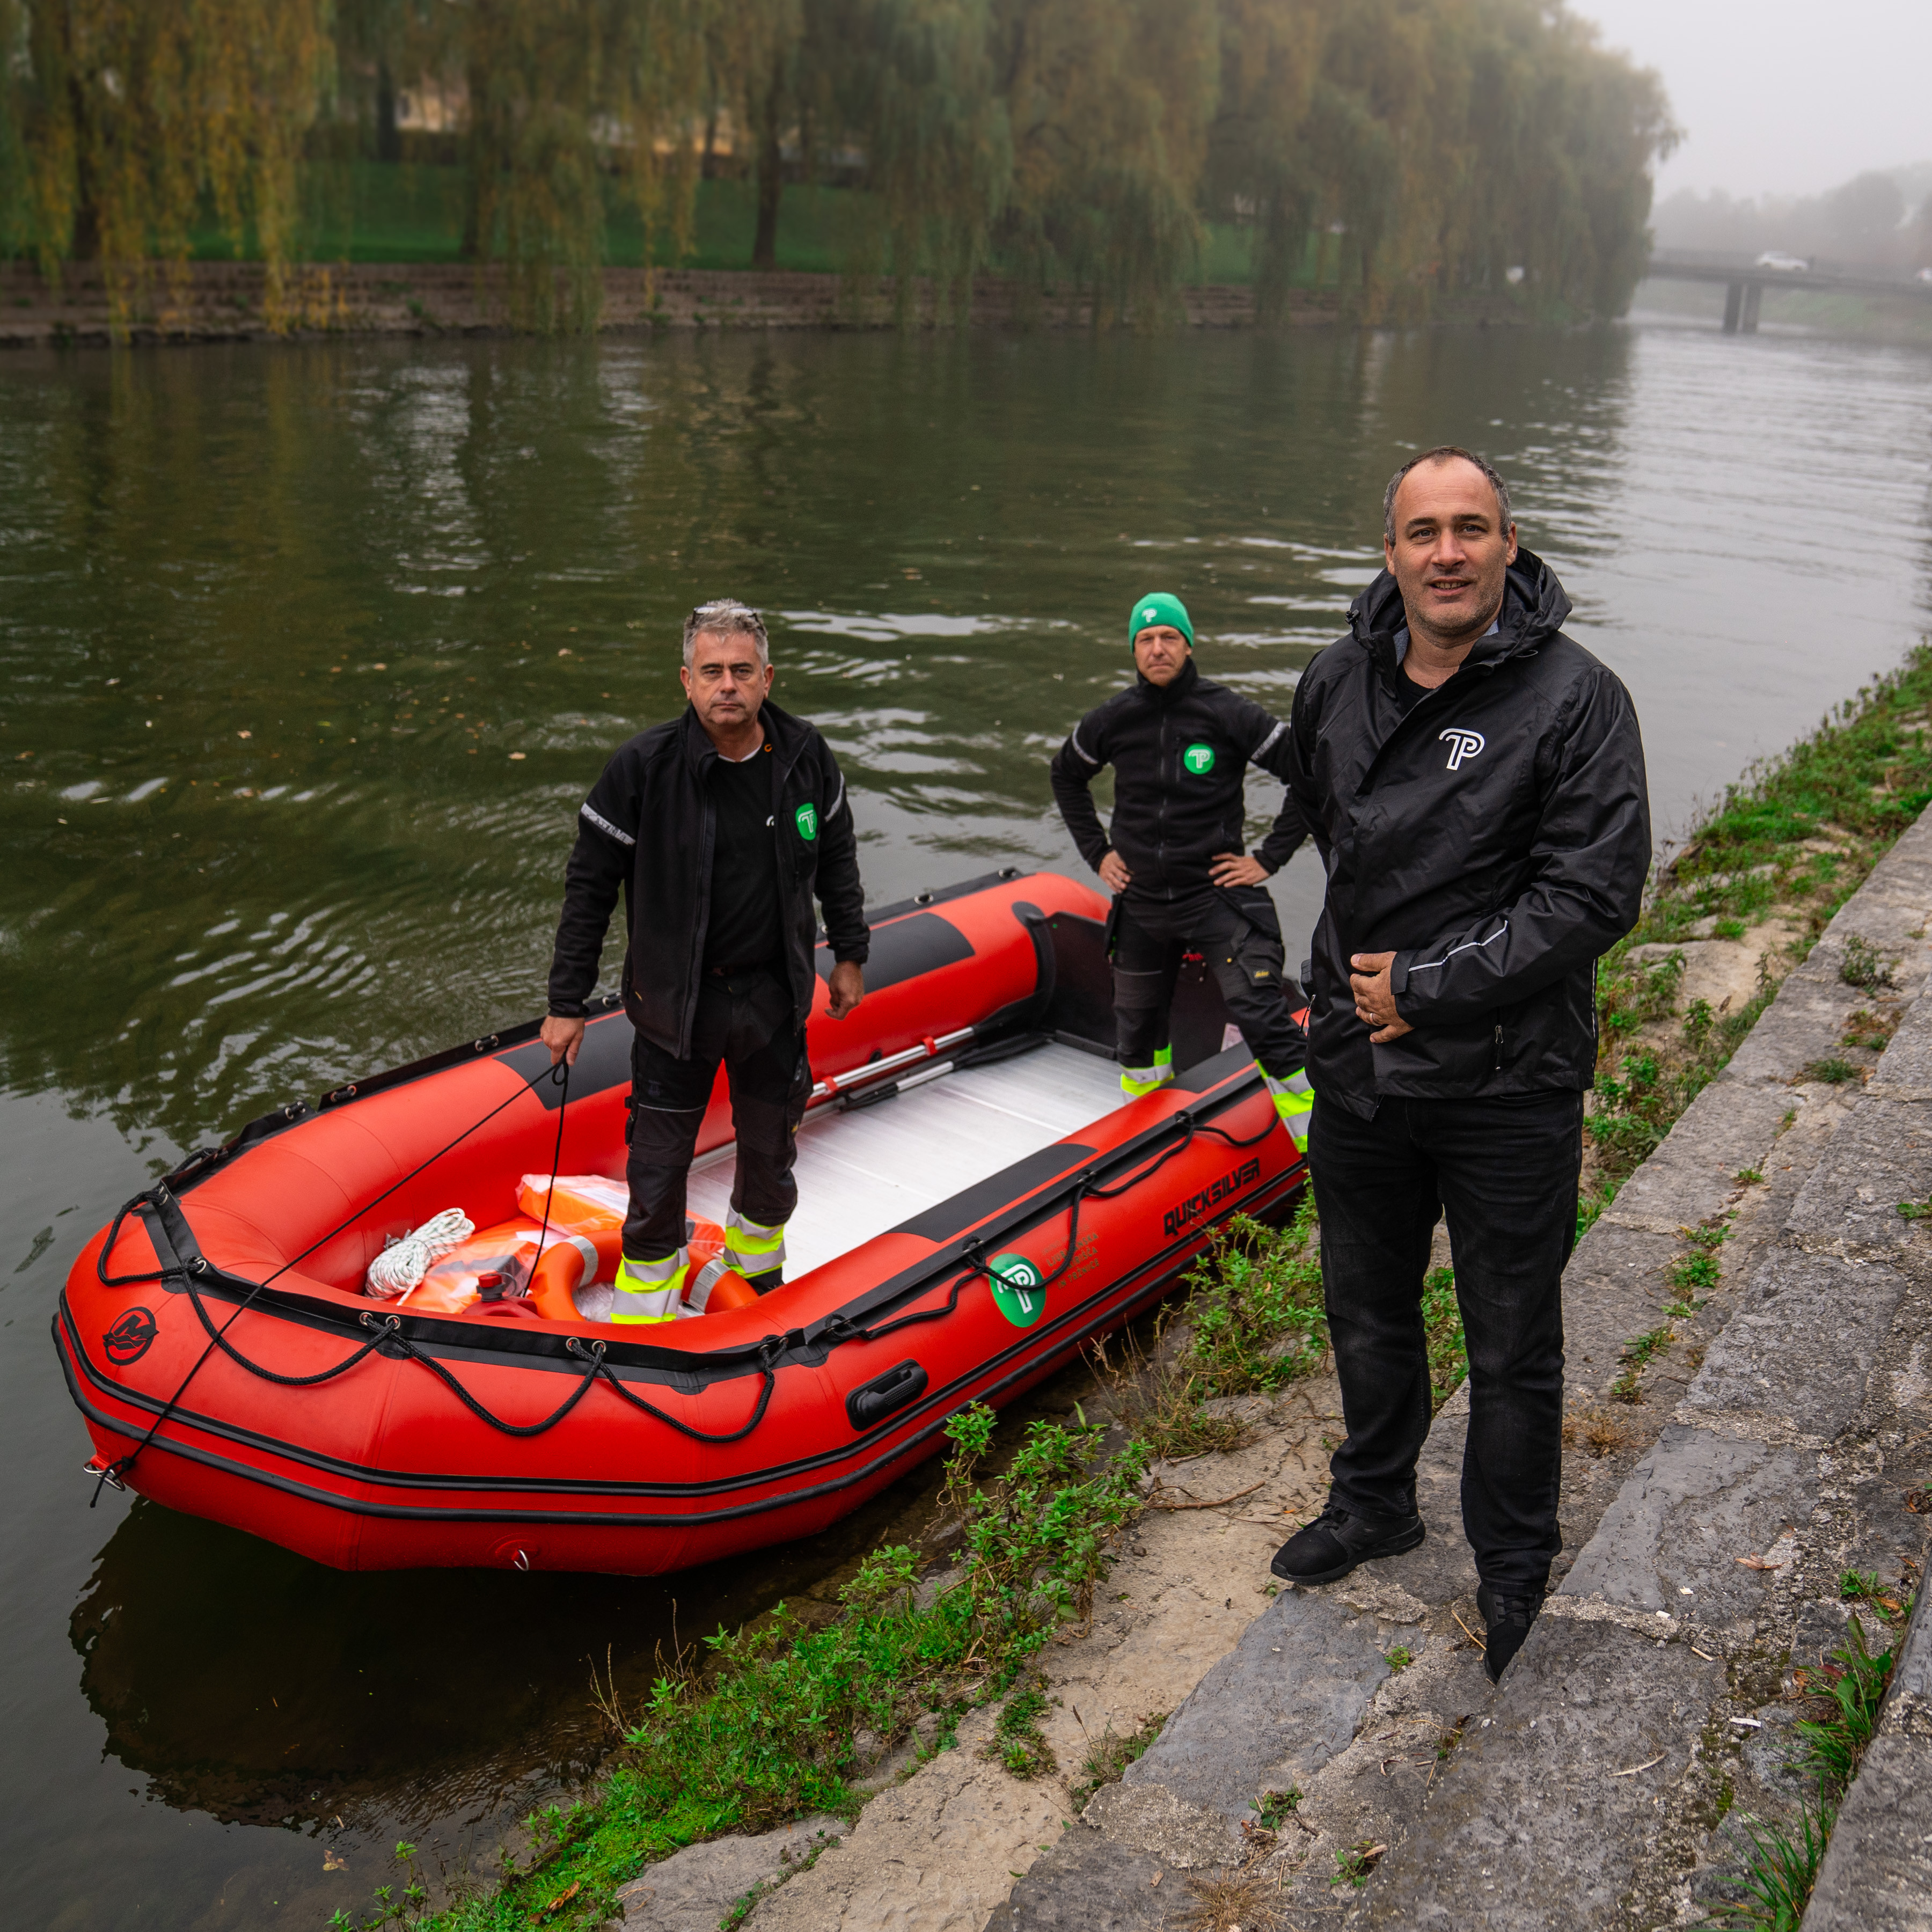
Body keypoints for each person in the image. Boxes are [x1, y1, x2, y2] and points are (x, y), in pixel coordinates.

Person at [1270, 446, 1650, 1682]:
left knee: (1510, 1340)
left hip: (1505, 1079)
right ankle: (1375, 1499)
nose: (1446, 552)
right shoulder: (1334, 677)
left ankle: (1513, 1566)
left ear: (1507, 544)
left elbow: (1591, 893)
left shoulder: (1577, 697)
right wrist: (1342, 1006)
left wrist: (1422, 989)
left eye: (1469, 529)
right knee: (1365, 1309)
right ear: (1390, 553)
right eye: (1422, 531)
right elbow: (1333, 840)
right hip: (1361, 1076)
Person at [540, 600, 869, 1322]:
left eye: (742, 671)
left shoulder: (807, 756)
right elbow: (589, 888)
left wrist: (851, 953)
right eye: (712, 671)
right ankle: (641, 1318)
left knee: (770, 1156)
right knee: (657, 1171)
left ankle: (757, 1287)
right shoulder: (642, 769)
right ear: (685, 681)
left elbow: (838, 858)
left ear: (767, 678)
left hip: (775, 1000)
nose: (729, 685)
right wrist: (568, 1002)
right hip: (675, 1008)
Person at [1049, 592, 1313, 1149]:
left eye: (1169, 636)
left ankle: (1323, 1152)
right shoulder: (1115, 719)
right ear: (1134, 651)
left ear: (1189, 644)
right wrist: (1097, 853)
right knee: (1138, 1038)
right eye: (1145, 639)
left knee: (1261, 1016)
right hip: (1142, 900)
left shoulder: (1226, 712)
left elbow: (1308, 774)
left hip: (1215, 895)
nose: (1158, 647)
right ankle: (1152, 1144)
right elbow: (1066, 775)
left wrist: (1269, 857)